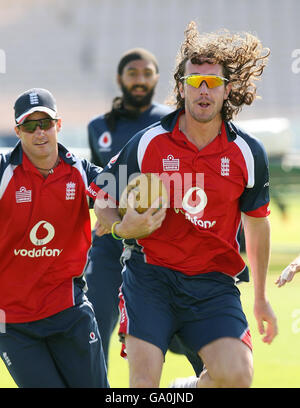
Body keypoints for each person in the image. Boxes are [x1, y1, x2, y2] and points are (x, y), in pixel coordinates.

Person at [88, 21, 278, 389]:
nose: (203, 91)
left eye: (213, 83)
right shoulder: (149, 143)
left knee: (237, 378)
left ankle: (186, 390)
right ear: (180, 88)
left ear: (228, 90)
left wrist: (261, 299)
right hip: (150, 277)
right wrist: (121, 227)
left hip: (214, 282)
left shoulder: (248, 153)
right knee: (144, 385)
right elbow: (103, 197)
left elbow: (257, 224)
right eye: (194, 82)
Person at [85, 47, 204, 376]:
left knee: (189, 333)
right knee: (93, 325)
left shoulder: (173, 121)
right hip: (110, 245)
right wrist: (110, 219)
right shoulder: (99, 126)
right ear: (120, 78)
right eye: (132, 73)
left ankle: (204, 381)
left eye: (147, 73)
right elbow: (103, 182)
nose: (140, 80)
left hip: (160, 247)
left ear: (156, 78)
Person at [0, 88, 109, 388]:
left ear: (58, 125)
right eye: (30, 126)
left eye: (45, 124)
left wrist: (111, 212)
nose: (40, 133)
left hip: (68, 313)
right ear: (19, 131)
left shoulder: (81, 171)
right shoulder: (3, 172)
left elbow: (123, 189)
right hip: (13, 322)